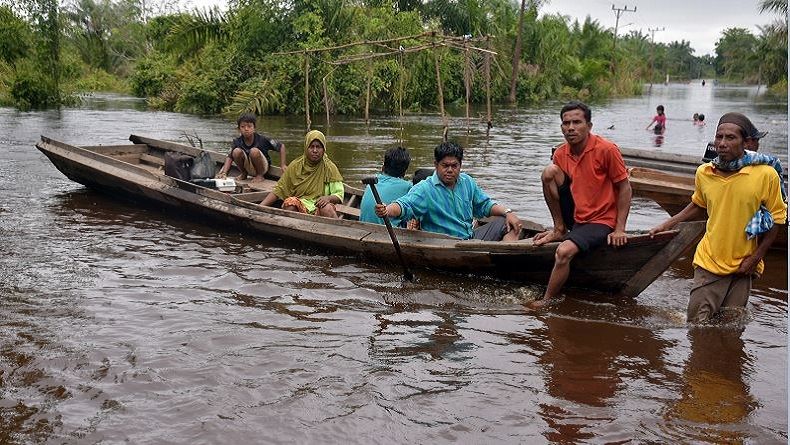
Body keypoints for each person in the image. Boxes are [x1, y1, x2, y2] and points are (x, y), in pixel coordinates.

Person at [649, 112, 787, 324]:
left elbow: (778, 219)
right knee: (696, 325)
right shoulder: (705, 172)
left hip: (744, 263)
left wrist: (756, 257)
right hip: (709, 260)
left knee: (731, 326)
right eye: (719, 137)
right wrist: (667, 224)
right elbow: (698, 205)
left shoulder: (765, 175)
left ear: (745, 143)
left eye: (730, 138)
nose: (722, 143)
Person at [530, 101, 632, 309]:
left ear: (589, 126)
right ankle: (559, 228)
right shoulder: (560, 153)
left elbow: (625, 188)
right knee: (549, 172)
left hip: (601, 220)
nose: (571, 128)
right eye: (566, 123)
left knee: (563, 252)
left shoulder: (606, 150)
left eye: (577, 122)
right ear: (561, 127)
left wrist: (620, 228)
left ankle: (547, 301)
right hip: (576, 215)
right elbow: (558, 186)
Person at [374, 141, 522, 241]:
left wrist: (508, 212)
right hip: (445, 243)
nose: (450, 170)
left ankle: (506, 261)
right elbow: (404, 205)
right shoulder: (426, 189)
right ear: (436, 165)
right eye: (445, 165)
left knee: (510, 223)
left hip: (469, 239)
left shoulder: (467, 182)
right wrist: (387, 210)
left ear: (460, 165)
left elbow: (484, 205)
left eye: (454, 165)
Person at [259, 130, 344, 218]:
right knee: (290, 203)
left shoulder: (329, 168)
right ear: (306, 148)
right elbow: (279, 190)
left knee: (327, 208)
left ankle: (336, 229)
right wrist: (260, 207)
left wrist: (328, 198)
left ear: (324, 149)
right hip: (301, 207)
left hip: (319, 207)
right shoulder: (295, 165)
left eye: (318, 147)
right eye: (311, 147)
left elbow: (339, 194)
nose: (315, 150)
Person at [216, 113, 287, 183]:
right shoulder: (237, 141)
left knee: (254, 151)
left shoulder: (262, 139)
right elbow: (230, 157)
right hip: (248, 167)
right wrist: (224, 172)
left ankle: (259, 175)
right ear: (239, 129)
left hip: (263, 168)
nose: (246, 129)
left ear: (254, 128)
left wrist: (282, 164)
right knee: (236, 151)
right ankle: (244, 173)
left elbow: (281, 146)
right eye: (243, 127)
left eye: (249, 126)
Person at [359, 146, 412, 226]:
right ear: (405, 171)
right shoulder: (408, 187)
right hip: (386, 235)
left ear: (383, 166)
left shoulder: (373, 181)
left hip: (362, 229)